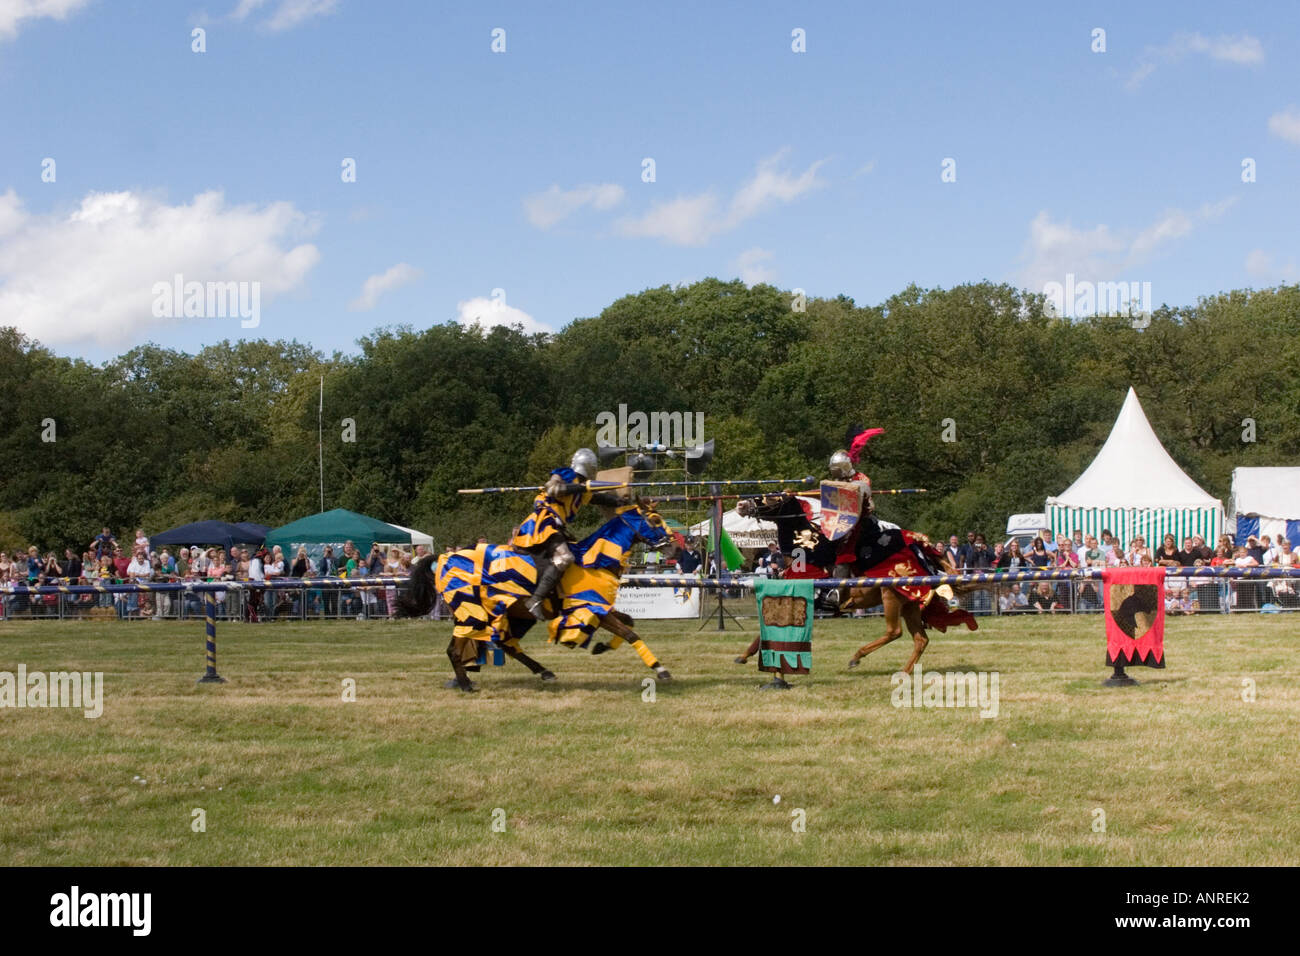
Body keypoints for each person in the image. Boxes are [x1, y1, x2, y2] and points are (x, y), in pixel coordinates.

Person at [510, 448, 621, 619]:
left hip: (557, 526)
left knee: (576, 556)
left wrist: (620, 500)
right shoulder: (567, 474)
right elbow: (553, 486)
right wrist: (564, 485)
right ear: (589, 467)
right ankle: (536, 600)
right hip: (545, 522)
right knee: (565, 557)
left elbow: (598, 498)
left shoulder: (583, 489)